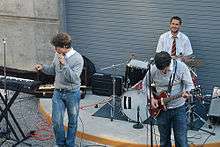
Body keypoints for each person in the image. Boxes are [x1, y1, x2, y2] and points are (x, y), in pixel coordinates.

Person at [34, 32, 84, 147]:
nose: (55, 50)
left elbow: (74, 79)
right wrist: (43, 68)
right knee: (56, 122)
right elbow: (53, 70)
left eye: (57, 47)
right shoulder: (58, 55)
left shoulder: (78, 59)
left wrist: (64, 64)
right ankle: (60, 144)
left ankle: (70, 144)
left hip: (72, 93)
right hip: (58, 93)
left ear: (65, 46)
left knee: (72, 121)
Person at [143, 51, 194, 147]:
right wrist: (152, 98)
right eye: (160, 70)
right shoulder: (153, 69)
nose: (162, 72)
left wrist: (187, 92)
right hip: (161, 110)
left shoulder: (181, 67)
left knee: (181, 140)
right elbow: (144, 84)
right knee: (164, 140)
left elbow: (190, 85)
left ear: (169, 63)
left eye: (164, 70)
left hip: (178, 108)